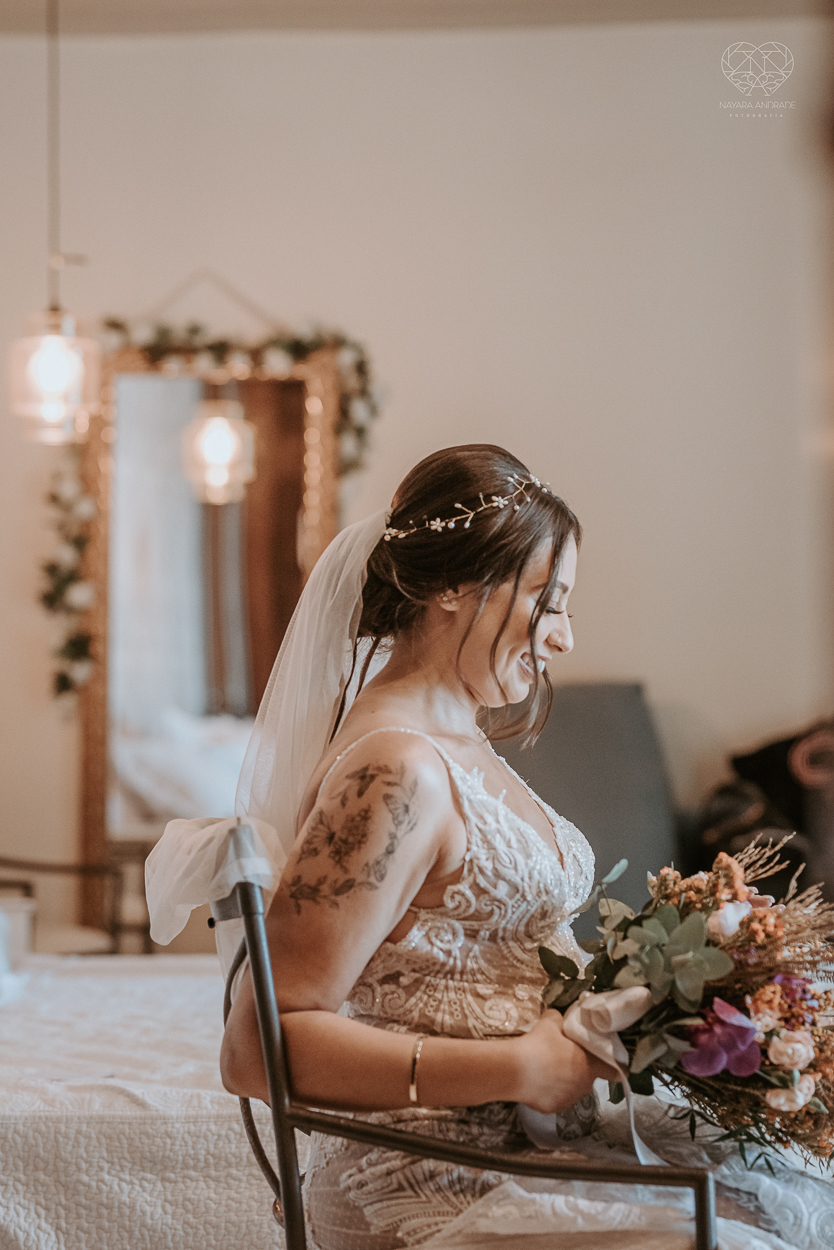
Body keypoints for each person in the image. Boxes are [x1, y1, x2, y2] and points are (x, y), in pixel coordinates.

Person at [218, 446, 826, 1250]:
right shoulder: (393, 770)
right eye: (548, 600)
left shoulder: (458, 738)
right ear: (448, 586)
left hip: (537, 1143)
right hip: (434, 1171)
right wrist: (517, 1069)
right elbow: (256, 1051)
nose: (565, 638)